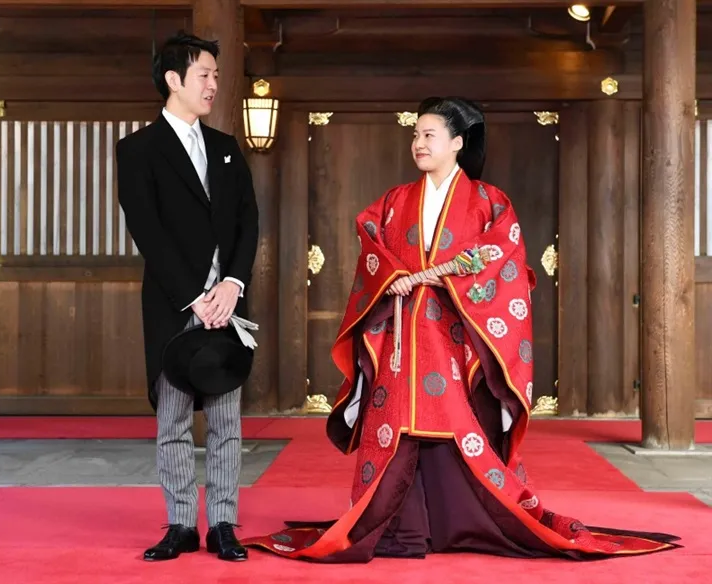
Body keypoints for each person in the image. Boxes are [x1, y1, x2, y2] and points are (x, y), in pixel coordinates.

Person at [240, 96, 680, 562]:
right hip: (402, 333)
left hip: (458, 337)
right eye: (415, 135)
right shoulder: (393, 202)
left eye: (429, 135)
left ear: (457, 142)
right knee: (396, 425)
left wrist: (450, 281)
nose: (418, 143)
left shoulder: (489, 203)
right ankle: (396, 528)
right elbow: (371, 244)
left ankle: (460, 523)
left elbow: (506, 262)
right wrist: (393, 277)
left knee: (455, 424)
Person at [116, 32, 258, 562]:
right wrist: (195, 296)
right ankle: (180, 524)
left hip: (227, 305)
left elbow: (248, 221)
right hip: (176, 305)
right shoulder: (138, 150)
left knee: (226, 419)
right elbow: (147, 231)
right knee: (173, 418)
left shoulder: (226, 148)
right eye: (205, 74)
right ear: (174, 79)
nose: (213, 84)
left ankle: (222, 523)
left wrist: (233, 284)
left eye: (216, 75)